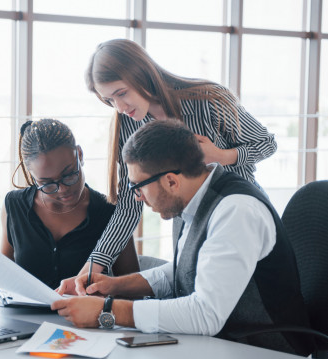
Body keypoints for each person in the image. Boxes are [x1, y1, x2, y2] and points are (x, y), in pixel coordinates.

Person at [51, 119, 313, 356]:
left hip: (265, 348)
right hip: (224, 340)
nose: (137, 197)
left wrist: (105, 311)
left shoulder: (236, 211)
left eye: (137, 187)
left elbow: (205, 315)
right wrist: (113, 286)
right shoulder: (193, 197)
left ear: (171, 181)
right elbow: (183, 270)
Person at [58, 38, 278, 292]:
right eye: (109, 100)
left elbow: (266, 143)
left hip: (238, 215)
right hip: (187, 222)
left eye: (121, 93)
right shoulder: (127, 123)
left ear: (141, 74)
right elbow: (129, 207)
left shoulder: (208, 100)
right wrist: (91, 269)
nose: (119, 107)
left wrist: (219, 155)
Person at [0, 119, 139, 289]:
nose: (62, 189)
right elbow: (2, 275)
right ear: (32, 175)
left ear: (79, 154)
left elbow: (133, 289)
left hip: (86, 315)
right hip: (20, 315)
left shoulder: (110, 211)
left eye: (69, 175)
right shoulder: (14, 205)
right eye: (47, 183)